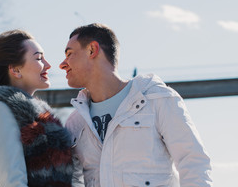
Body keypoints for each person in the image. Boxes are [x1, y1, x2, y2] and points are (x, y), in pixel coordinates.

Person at [59, 23, 212, 187]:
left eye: (69, 54)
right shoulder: (75, 123)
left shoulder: (156, 99)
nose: (62, 64)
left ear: (92, 50)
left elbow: (193, 162)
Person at [0, 30, 73, 187]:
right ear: (15, 70)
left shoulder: (37, 118)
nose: (47, 65)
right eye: (39, 58)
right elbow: (13, 184)